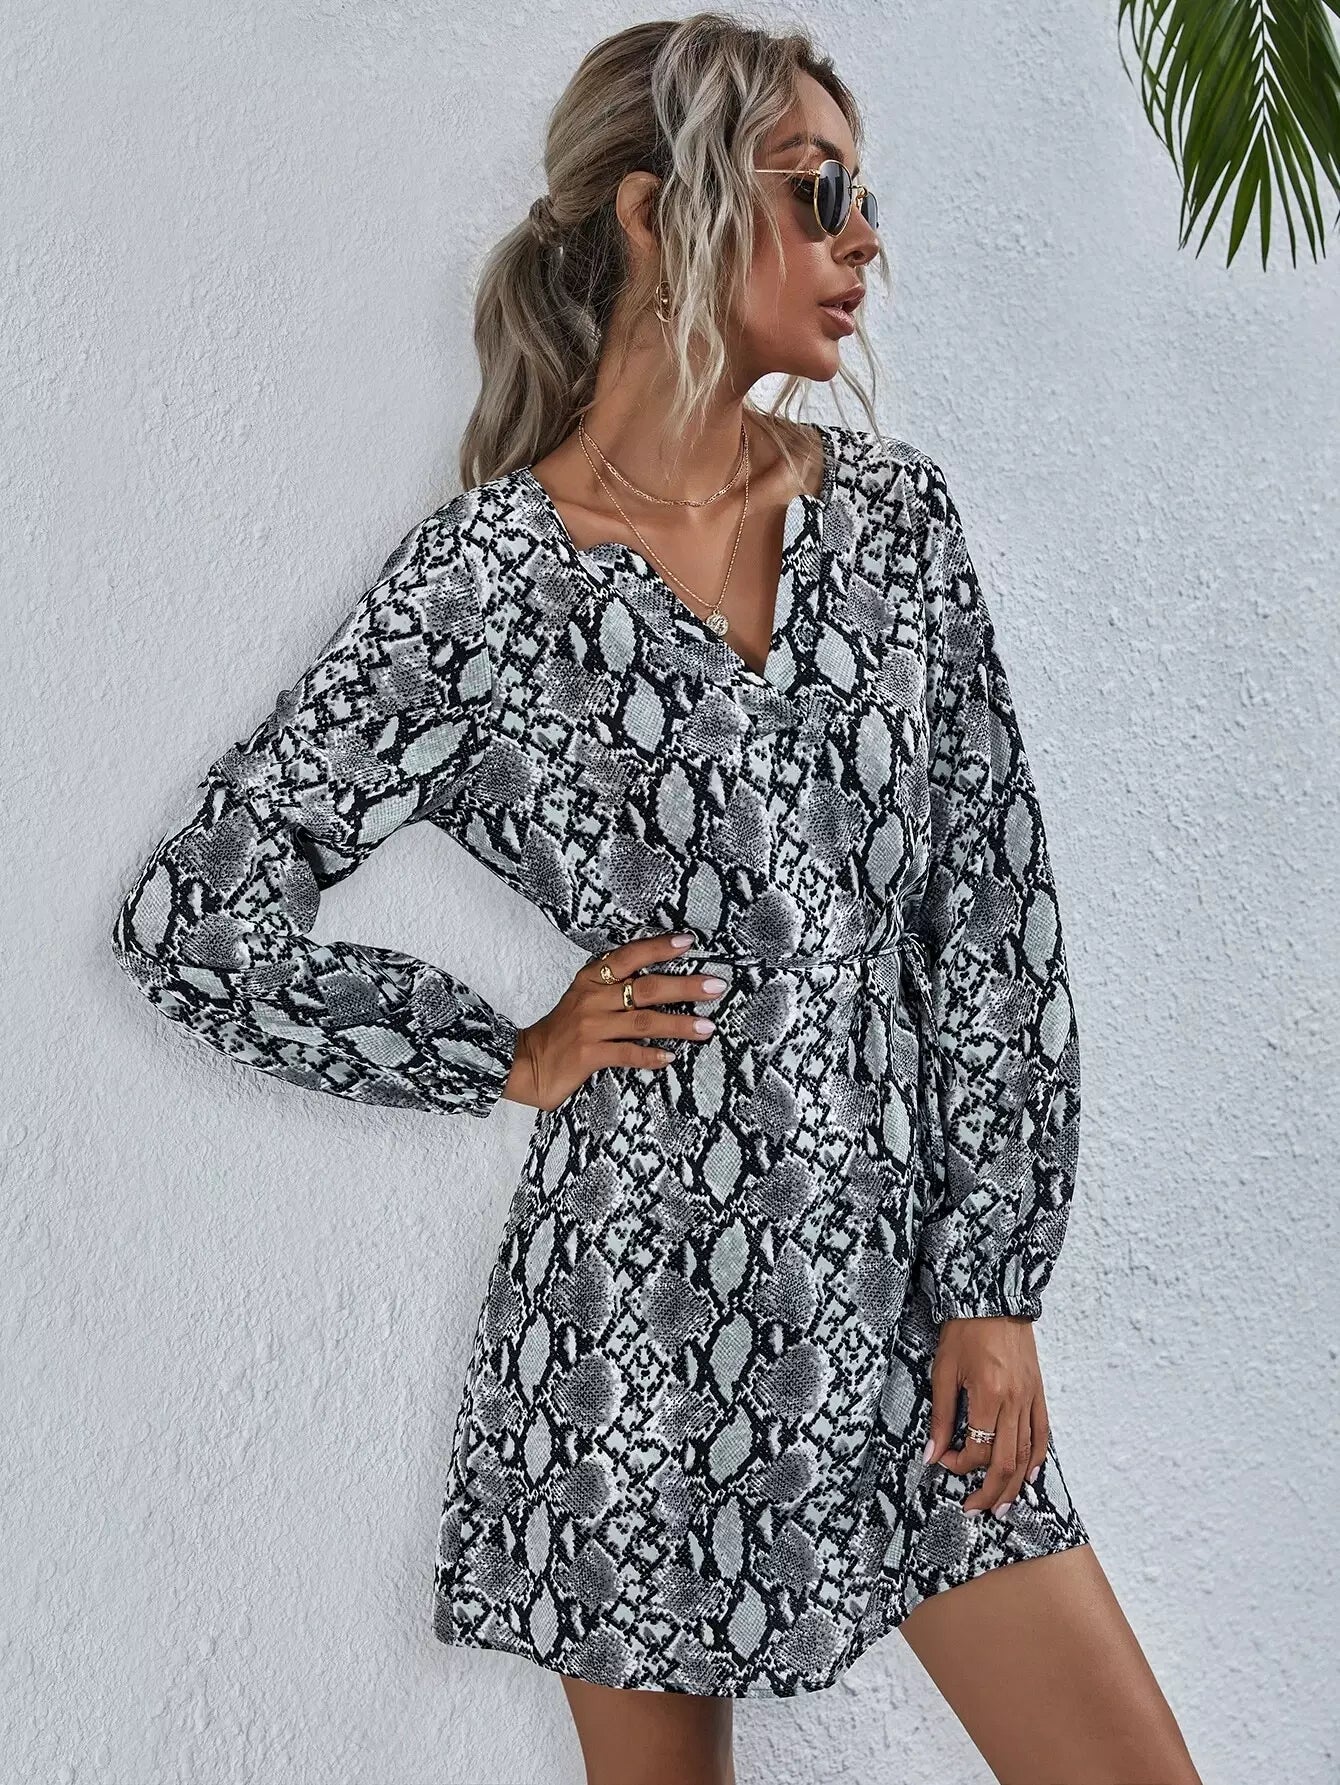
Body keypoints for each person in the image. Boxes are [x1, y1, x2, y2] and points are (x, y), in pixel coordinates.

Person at [110, 14, 1202, 1785]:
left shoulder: (897, 530)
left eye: (864, 197)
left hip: (909, 1313)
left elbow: (993, 922)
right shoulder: (485, 581)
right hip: (633, 1324)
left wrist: (994, 1284)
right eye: (817, 191)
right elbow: (197, 922)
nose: (863, 238)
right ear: (651, 210)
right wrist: (502, 1050)